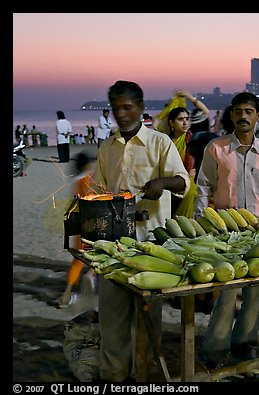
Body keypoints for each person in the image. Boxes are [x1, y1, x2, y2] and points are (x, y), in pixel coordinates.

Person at [91, 80, 189, 382]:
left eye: (127, 107)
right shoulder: (107, 147)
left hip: (150, 243)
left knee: (147, 316)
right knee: (112, 316)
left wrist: (161, 183)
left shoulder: (160, 143)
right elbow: (98, 189)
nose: (121, 114)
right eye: (116, 108)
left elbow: (183, 182)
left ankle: (143, 373)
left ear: (141, 108)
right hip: (115, 243)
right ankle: (114, 375)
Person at [195, 92, 259, 374]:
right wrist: (200, 223)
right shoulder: (216, 149)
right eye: (238, 111)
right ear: (231, 116)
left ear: (258, 116)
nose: (243, 116)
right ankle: (216, 348)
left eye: (249, 111)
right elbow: (204, 187)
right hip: (226, 230)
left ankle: (246, 344)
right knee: (227, 291)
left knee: (254, 290)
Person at [58, 151, 97, 308]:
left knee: (78, 260)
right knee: (96, 254)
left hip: (78, 223)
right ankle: (90, 274)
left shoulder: (76, 180)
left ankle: (66, 295)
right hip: (92, 222)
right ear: (88, 165)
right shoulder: (90, 178)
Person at [165, 106, 198, 218]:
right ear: (171, 123)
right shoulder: (165, 142)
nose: (185, 122)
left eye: (187, 119)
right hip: (169, 183)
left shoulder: (192, 140)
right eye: (180, 119)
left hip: (189, 182)